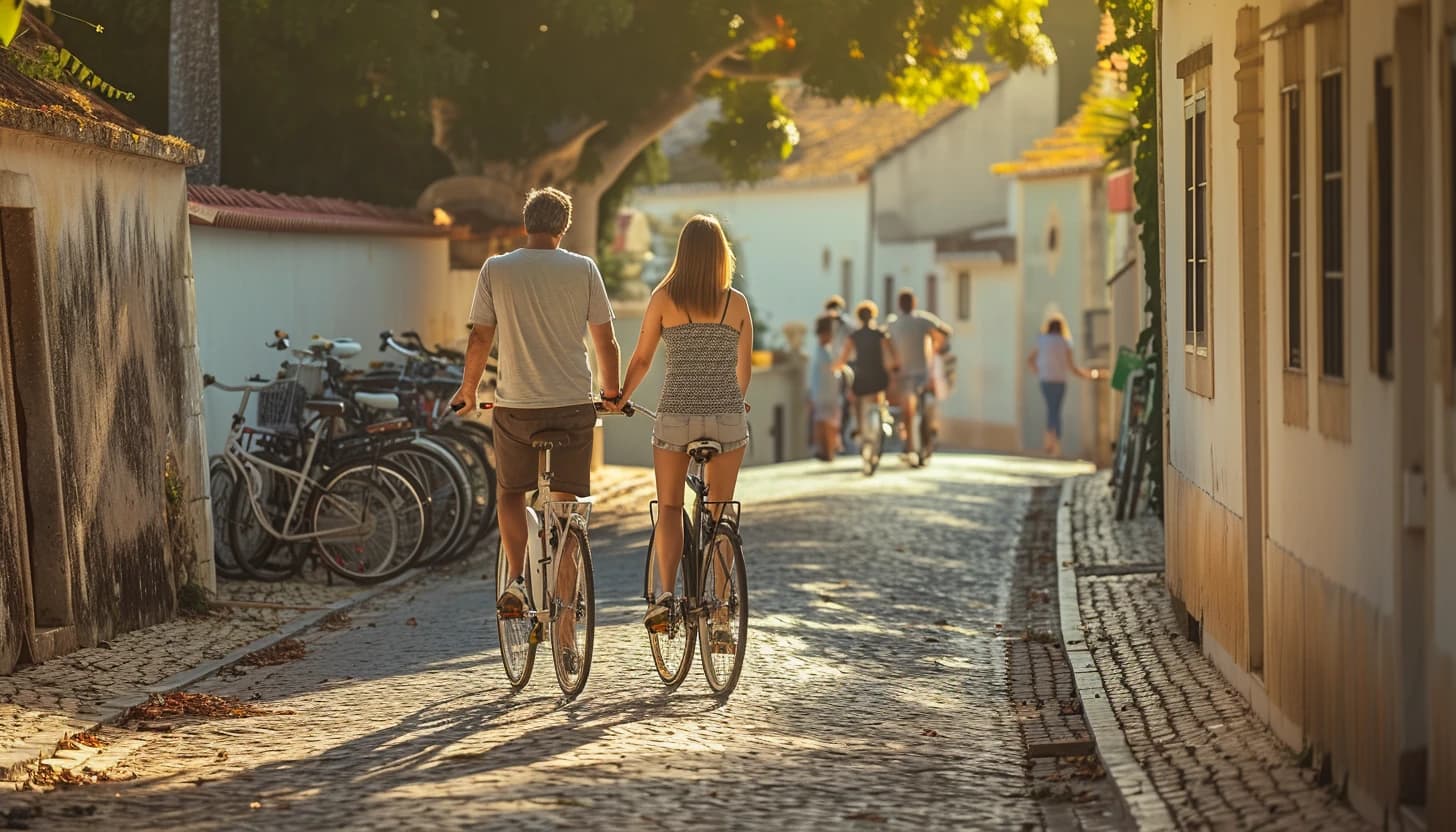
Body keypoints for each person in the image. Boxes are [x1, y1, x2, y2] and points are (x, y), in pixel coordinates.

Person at [451, 187, 622, 658]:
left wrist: (468, 391)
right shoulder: (583, 268)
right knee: (568, 512)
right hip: (571, 405)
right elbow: (604, 341)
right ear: (563, 228)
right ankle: (565, 619)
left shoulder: (496, 269)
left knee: (510, 491)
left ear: (524, 223)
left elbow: (480, 337)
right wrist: (611, 393)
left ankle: (520, 580)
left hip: (516, 407)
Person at [611, 215, 753, 634]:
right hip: (727, 419)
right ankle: (723, 616)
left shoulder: (663, 297)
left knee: (670, 507)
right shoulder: (737, 303)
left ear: (682, 253)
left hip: (675, 418)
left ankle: (666, 595)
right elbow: (743, 371)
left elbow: (641, 359)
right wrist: (734, 401)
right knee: (722, 513)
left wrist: (620, 397)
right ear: (720, 255)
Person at [886, 289, 952, 465]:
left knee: (908, 412)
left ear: (899, 304)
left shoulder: (893, 323)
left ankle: (910, 446)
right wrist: (936, 345)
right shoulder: (922, 320)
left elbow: (885, 342)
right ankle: (923, 445)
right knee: (920, 410)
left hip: (903, 375)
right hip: (920, 373)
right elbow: (945, 331)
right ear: (914, 303)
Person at [1026, 314, 1098, 457]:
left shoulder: (1041, 340)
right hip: (1059, 380)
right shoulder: (1065, 342)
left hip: (1045, 380)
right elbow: (1072, 366)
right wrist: (1086, 375)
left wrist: (1038, 370)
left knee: (1051, 409)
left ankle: (1049, 442)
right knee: (1056, 410)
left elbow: (1030, 359)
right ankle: (1055, 443)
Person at [834, 300, 899, 444]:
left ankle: (859, 427)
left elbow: (843, 358)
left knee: (855, 399)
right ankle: (884, 415)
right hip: (879, 375)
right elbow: (892, 353)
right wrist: (895, 366)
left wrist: (836, 367)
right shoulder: (880, 334)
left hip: (861, 376)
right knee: (880, 394)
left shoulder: (854, 336)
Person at [809, 315, 843, 461]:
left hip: (825, 393)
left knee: (824, 421)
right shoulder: (823, 352)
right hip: (825, 393)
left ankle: (827, 451)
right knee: (827, 422)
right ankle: (828, 451)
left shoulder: (823, 351)